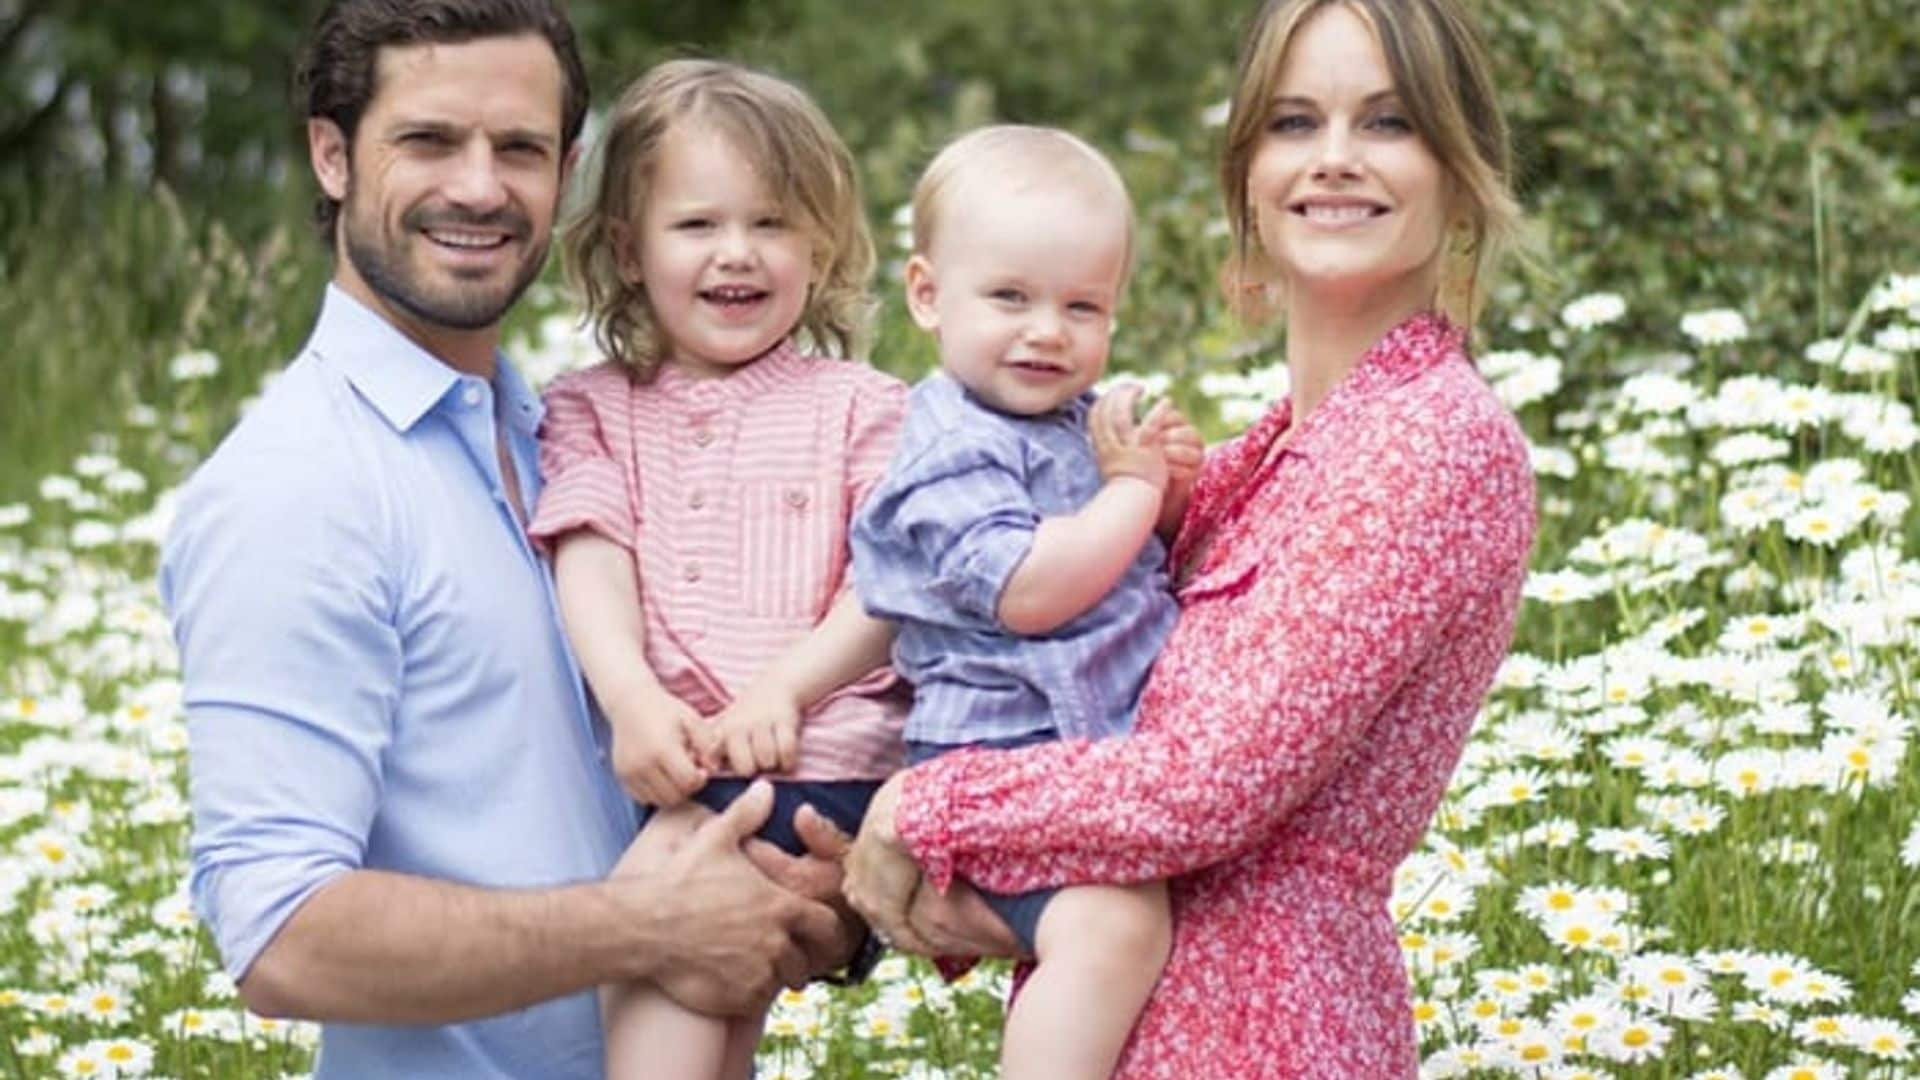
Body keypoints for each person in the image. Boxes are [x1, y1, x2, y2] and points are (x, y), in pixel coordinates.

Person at [843, 0, 1538, 1075]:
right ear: (1248, 171)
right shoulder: (1264, 453)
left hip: (1256, 1030)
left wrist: (924, 804)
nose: (1336, 160)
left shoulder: (1433, 442)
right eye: (1296, 123)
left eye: (1389, 123)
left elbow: (1201, 789)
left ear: (1460, 167)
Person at [161, 4, 847, 1077]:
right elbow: (279, 935)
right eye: (429, 140)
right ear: (332, 154)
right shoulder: (297, 489)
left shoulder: (576, 433)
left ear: (568, 171)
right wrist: (649, 925)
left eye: (519, 149)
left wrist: (814, 901)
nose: (480, 188)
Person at [529, 59, 909, 1080]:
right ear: (628, 247)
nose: (735, 255)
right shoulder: (591, 407)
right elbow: (589, 550)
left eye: (772, 224)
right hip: (684, 763)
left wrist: (786, 686)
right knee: (713, 1012)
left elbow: (891, 581)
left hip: (819, 764)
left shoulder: (864, 408)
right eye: (697, 225)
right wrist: (635, 699)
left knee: (657, 923)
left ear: (818, 243)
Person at [848, 125, 1201, 1080]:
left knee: (1134, 924)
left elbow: (1129, 571)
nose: (1048, 330)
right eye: (1011, 297)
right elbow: (1031, 592)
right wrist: (1128, 496)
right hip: (999, 758)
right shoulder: (947, 448)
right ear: (928, 295)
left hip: (1089, 749)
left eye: (1082, 306)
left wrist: (1162, 495)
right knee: (1110, 927)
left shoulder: (1080, 422)